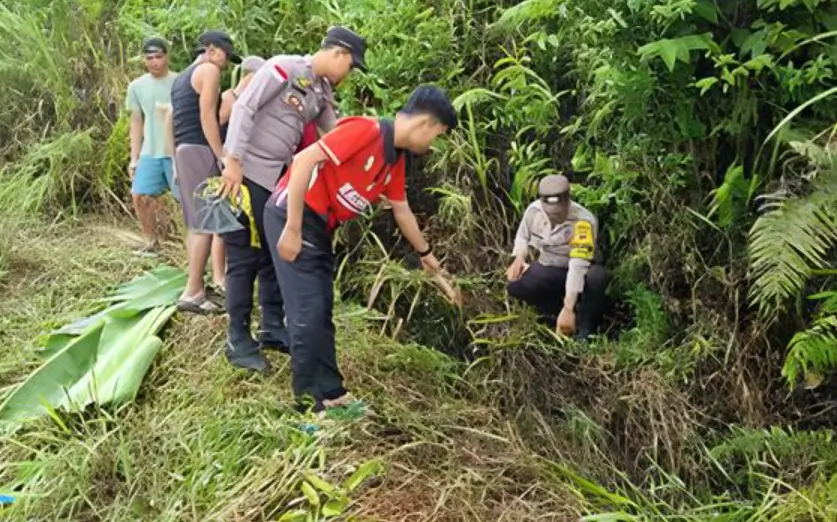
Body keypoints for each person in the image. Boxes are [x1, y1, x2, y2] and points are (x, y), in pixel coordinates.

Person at [262, 85, 458, 416]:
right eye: (437, 135)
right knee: (307, 312)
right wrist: (292, 228)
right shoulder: (366, 131)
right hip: (292, 215)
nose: (432, 144)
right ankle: (309, 405)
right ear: (425, 123)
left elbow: (401, 209)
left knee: (321, 310)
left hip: (320, 227)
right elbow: (304, 159)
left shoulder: (393, 161)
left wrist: (428, 257)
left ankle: (332, 393)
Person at [217, 26, 366, 373]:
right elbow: (245, 107)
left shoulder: (320, 91)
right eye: (351, 66)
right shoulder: (284, 68)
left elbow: (337, 132)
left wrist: (376, 139)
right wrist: (233, 161)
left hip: (275, 181)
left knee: (271, 256)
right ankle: (237, 339)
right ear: (340, 54)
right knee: (243, 257)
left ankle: (271, 326)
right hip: (246, 174)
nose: (349, 74)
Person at [170, 30, 241, 314]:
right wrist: (221, 153)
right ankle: (193, 292)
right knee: (205, 223)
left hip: (185, 149)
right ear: (211, 50)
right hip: (200, 148)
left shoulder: (181, 77)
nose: (224, 64)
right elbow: (206, 117)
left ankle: (197, 284)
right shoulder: (208, 70)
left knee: (198, 223)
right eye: (224, 55)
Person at [506, 174, 607, 339]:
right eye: (551, 213)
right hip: (551, 269)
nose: (555, 218)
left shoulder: (584, 221)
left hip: (579, 272)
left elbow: (577, 265)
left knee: (597, 277)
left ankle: (584, 327)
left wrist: (568, 307)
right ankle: (553, 313)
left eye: (559, 213)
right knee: (516, 285)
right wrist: (518, 258)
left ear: (568, 201)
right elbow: (523, 237)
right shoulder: (534, 211)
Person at [125, 37, 178, 254]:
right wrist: (134, 158)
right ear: (143, 60)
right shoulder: (137, 86)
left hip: (175, 151)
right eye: (150, 58)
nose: (155, 62)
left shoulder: (180, 81)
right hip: (150, 150)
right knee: (140, 195)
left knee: (183, 199)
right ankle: (151, 241)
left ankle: (187, 242)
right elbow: (137, 121)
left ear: (167, 57)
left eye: (159, 57)